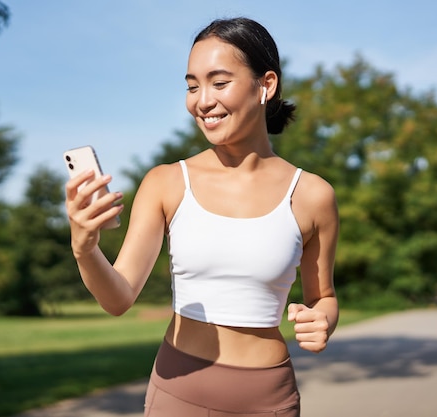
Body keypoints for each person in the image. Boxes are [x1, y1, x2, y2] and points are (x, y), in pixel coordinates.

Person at [65, 16, 339, 417]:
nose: (202, 100)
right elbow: (118, 298)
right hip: (178, 393)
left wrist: (322, 323)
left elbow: (323, 298)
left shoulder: (313, 195)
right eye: (192, 86)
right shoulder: (166, 183)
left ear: (266, 85)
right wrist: (84, 249)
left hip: (268, 400)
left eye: (219, 82)